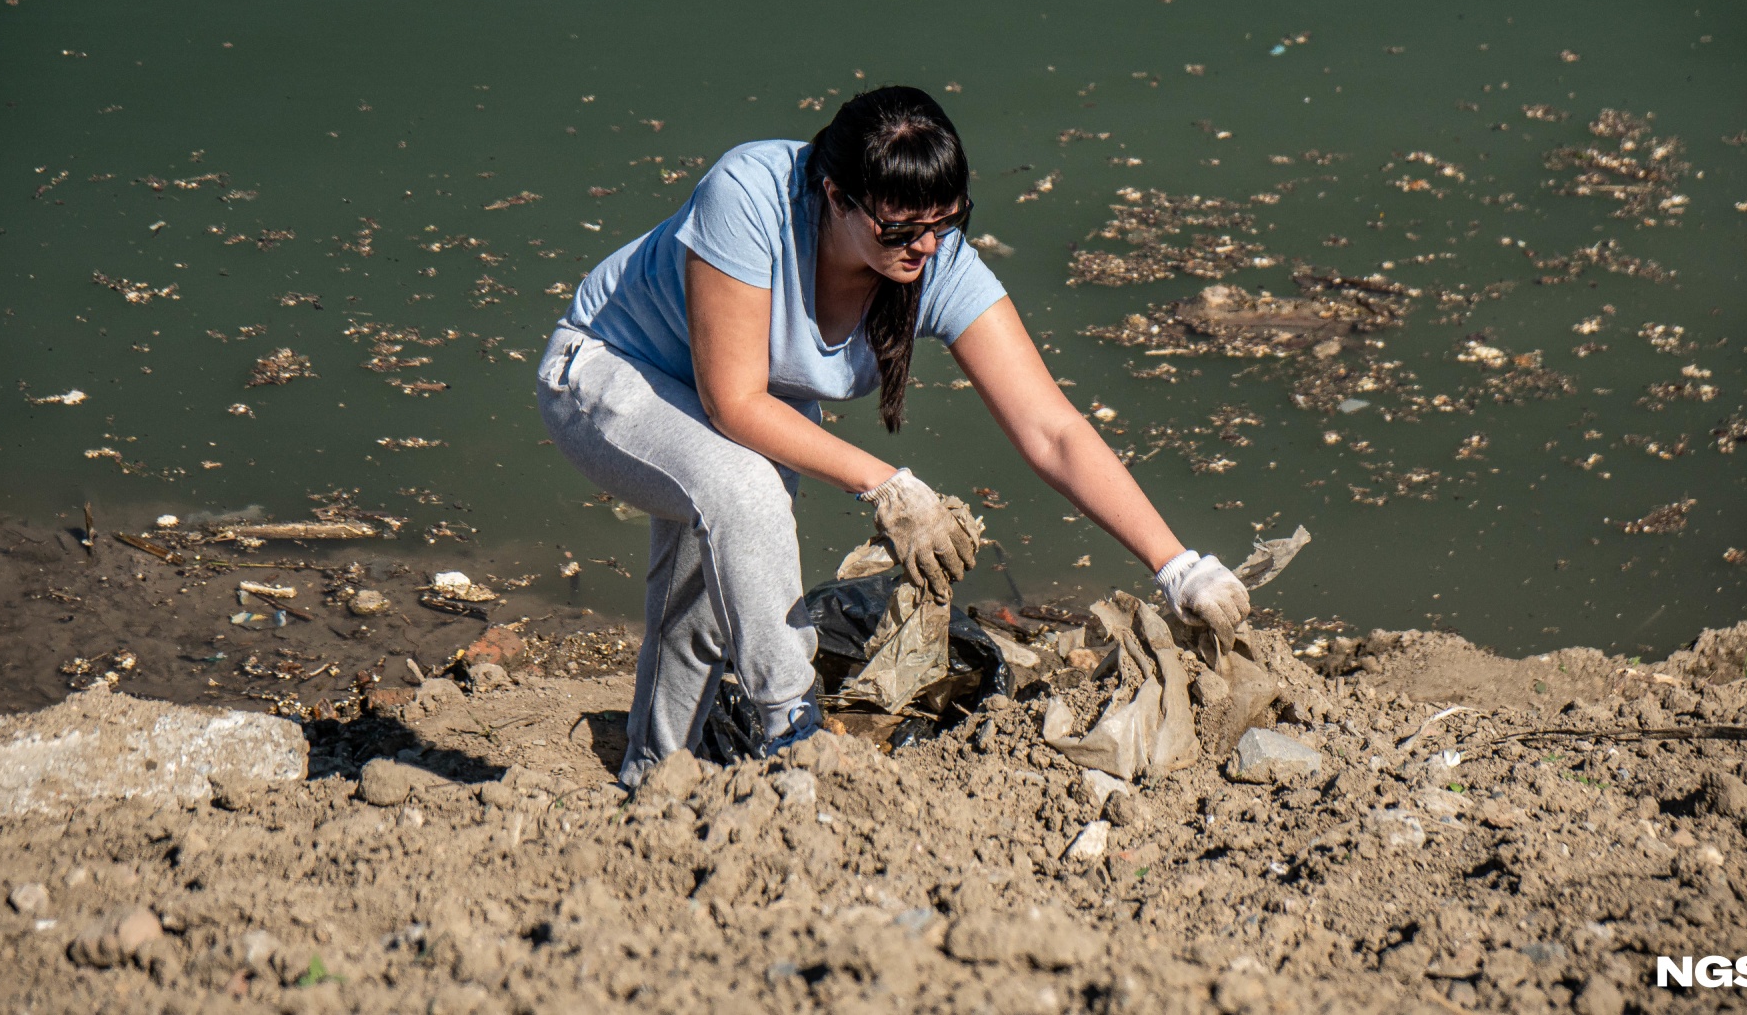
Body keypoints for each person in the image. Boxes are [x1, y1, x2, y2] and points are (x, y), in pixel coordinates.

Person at [536, 86, 1252, 786]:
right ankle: (793, 730)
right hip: (607, 373)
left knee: (715, 593)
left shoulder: (936, 260)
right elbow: (733, 402)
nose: (927, 245)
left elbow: (1052, 427)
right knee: (746, 490)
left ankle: (654, 776)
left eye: (946, 220)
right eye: (901, 228)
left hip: (741, 405)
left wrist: (1178, 565)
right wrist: (888, 484)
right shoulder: (748, 195)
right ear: (835, 195)